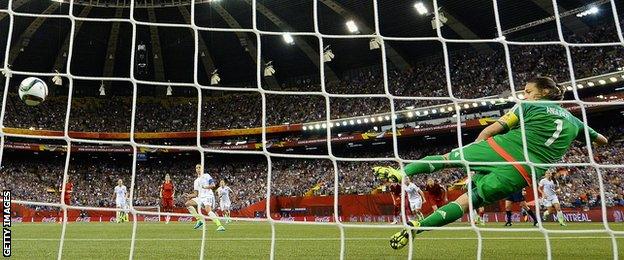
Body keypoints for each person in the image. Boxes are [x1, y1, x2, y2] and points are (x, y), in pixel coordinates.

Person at [373, 76, 608, 249]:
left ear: (544, 92)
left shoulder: (528, 106)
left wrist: (475, 153)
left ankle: (403, 172)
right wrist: (585, 138)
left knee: (446, 160)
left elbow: (493, 129)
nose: (525, 95)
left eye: (528, 91)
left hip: (499, 149)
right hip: (523, 172)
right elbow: (602, 140)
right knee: (467, 203)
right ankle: (419, 228)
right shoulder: (575, 122)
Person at [184, 164, 225, 231]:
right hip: (200, 197)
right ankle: (199, 220)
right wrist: (189, 195)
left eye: (199, 167)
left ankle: (220, 225)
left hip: (208, 195)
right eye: (196, 168)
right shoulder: (196, 181)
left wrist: (206, 187)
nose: (198, 169)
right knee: (188, 204)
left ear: (202, 169)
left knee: (208, 210)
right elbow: (195, 194)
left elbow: (213, 185)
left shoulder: (206, 175)